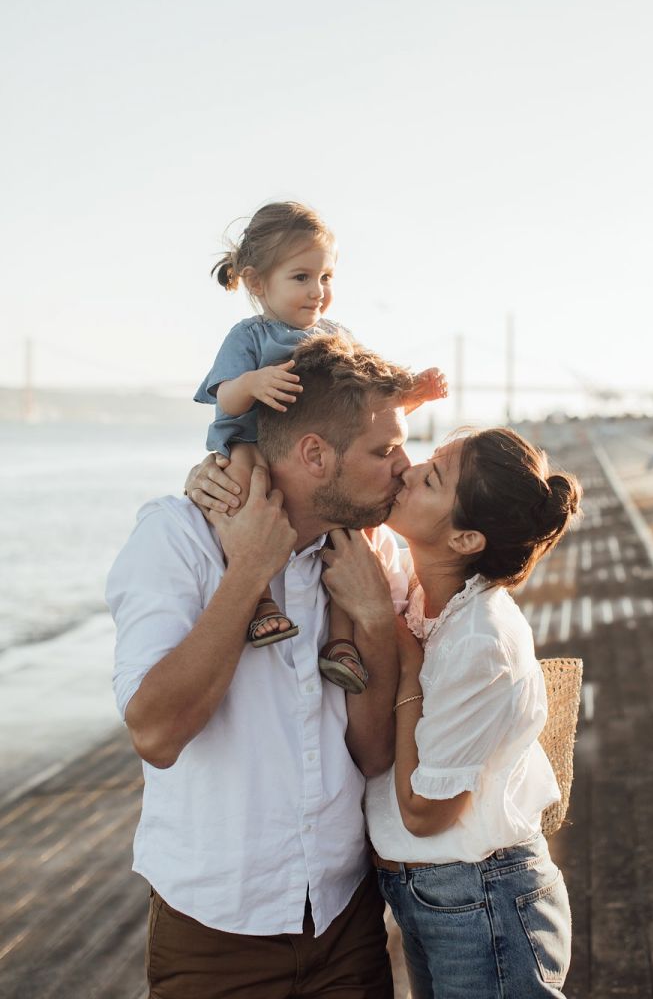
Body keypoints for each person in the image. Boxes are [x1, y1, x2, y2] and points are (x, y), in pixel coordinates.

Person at [107, 334, 417, 999]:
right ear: (315, 454)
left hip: (345, 916)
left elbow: (371, 754)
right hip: (215, 932)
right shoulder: (176, 537)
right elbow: (156, 735)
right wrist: (249, 569)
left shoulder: (372, 555)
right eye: (384, 450)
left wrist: (372, 621)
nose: (404, 466)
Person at [360, 427, 582, 998]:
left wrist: (407, 665)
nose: (408, 470)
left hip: (483, 899)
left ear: (464, 539)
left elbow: (426, 814)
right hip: (433, 895)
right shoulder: (423, 596)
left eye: (432, 478)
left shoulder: (480, 638)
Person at [194, 200, 447, 691]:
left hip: (320, 460)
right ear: (256, 282)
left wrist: (412, 394)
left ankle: (341, 642)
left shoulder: (336, 335)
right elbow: (223, 396)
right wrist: (252, 383)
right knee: (243, 490)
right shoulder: (250, 336)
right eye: (301, 277)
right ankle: (260, 600)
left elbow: (366, 412)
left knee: (353, 535)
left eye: (326, 277)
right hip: (252, 439)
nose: (318, 291)